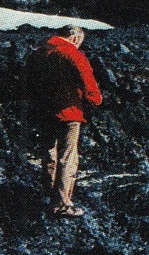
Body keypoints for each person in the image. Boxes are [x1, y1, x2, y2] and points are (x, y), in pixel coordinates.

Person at [24, 25, 102, 217]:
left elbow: (27, 81)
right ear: (75, 38)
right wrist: (95, 100)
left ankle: (47, 194)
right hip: (69, 111)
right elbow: (88, 81)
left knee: (49, 152)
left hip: (44, 109)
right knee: (68, 156)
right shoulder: (72, 54)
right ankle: (61, 204)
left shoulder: (39, 54)